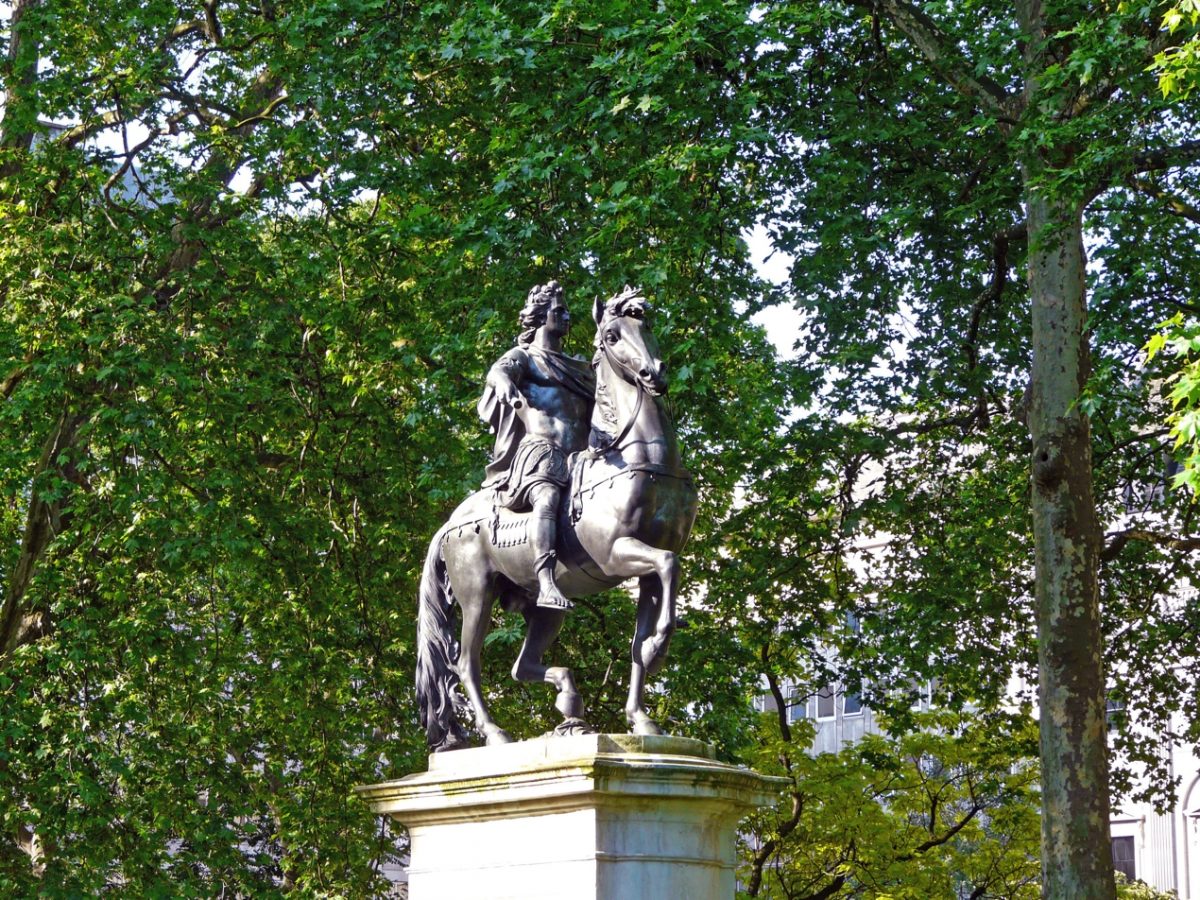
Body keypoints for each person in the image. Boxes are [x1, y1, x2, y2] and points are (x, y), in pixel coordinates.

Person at [477, 281, 596, 609]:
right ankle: (545, 582)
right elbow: (499, 371)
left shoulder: (580, 367)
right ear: (541, 317)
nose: (567, 316)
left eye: (566, 310)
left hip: (582, 459)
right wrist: (503, 384)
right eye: (560, 311)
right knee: (547, 497)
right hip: (541, 452)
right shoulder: (526, 357)